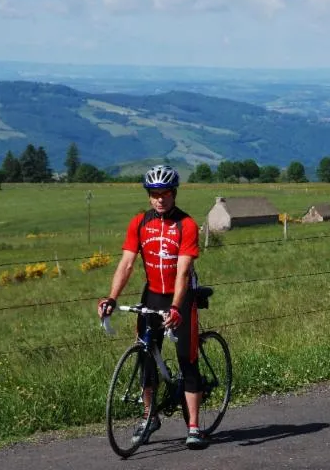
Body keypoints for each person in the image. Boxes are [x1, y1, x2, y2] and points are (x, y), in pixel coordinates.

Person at [97, 164, 208, 450]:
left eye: (166, 192)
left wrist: (175, 308)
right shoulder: (139, 222)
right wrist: (111, 298)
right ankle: (149, 417)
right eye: (155, 193)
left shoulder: (186, 224)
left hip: (181, 297)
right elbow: (126, 264)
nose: (160, 198)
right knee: (146, 358)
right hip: (153, 295)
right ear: (149, 195)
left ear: (174, 193)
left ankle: (194, 426)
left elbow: (183, 271)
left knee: (187, 358)